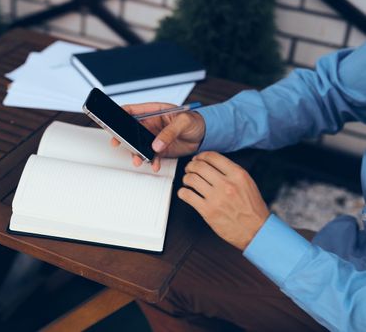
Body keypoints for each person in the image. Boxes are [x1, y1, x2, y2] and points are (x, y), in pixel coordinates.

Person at [113, 43, 366, 331]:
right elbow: (327, 91)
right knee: (161, 263)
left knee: (157, 274)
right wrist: (206, 126)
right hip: (347, 258)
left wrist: (258, 235)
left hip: (345, 305)